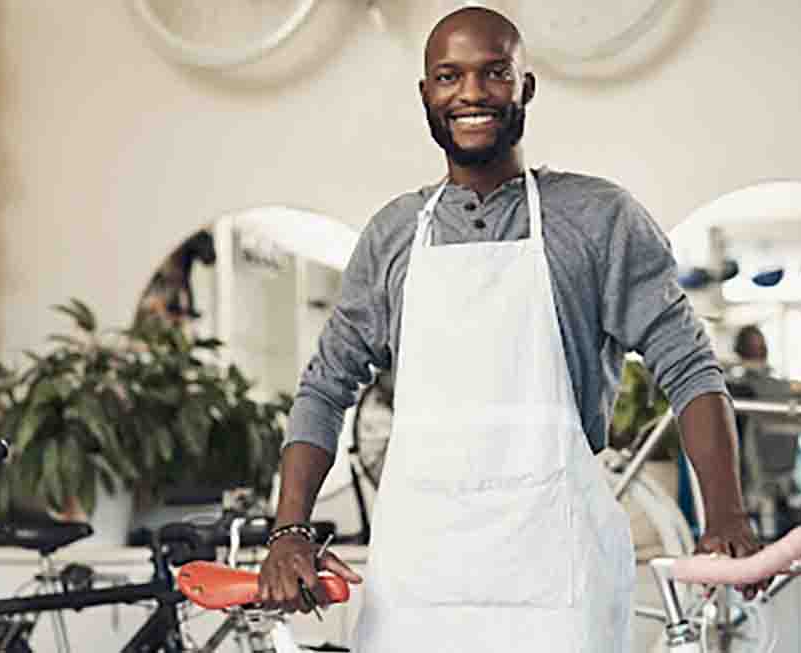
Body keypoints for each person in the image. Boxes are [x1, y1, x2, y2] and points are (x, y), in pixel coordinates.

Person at [258, 7, 764, 651]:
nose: (471, 93)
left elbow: (690, 369)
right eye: (449, 76)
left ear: (526, 86)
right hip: (421, 585)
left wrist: (726, 514)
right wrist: (288, 530)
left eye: (495, 73)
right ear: (426, 94)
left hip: (558, 578)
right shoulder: (392, 234)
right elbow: (325, 388)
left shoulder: (598, 218)